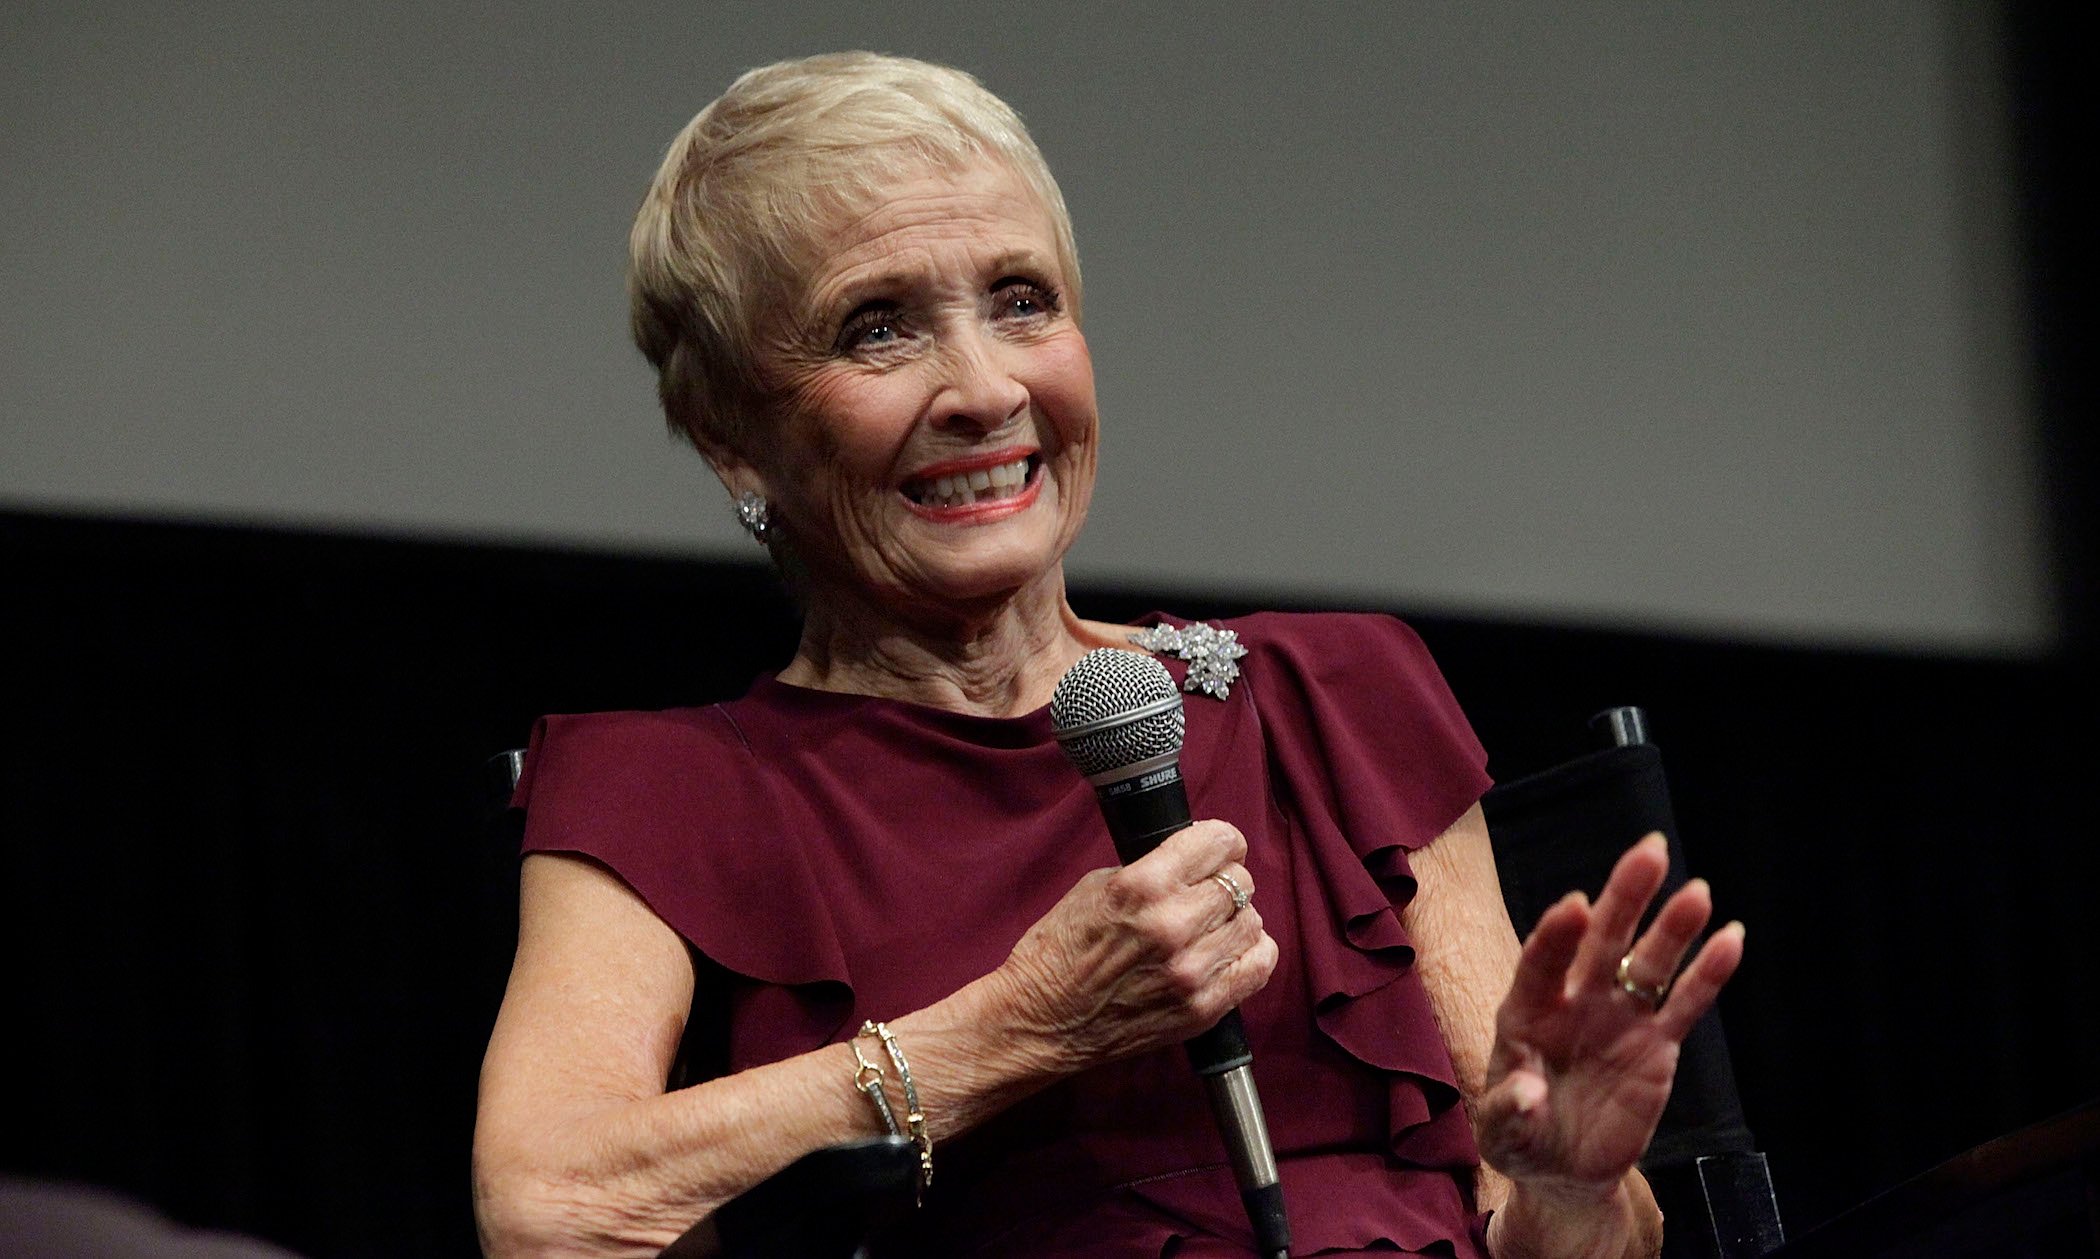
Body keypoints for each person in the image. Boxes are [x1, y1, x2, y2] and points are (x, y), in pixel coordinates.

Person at [471, 52, 1745, 1259]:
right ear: (731, 437)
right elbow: (548, 1209)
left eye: (1022, 302)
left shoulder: (1337, 697)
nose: (982, 386)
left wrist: (1572, 1187)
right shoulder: (670, 788)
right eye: (876, 328)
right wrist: (1012, 1029)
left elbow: (1567, 1236)